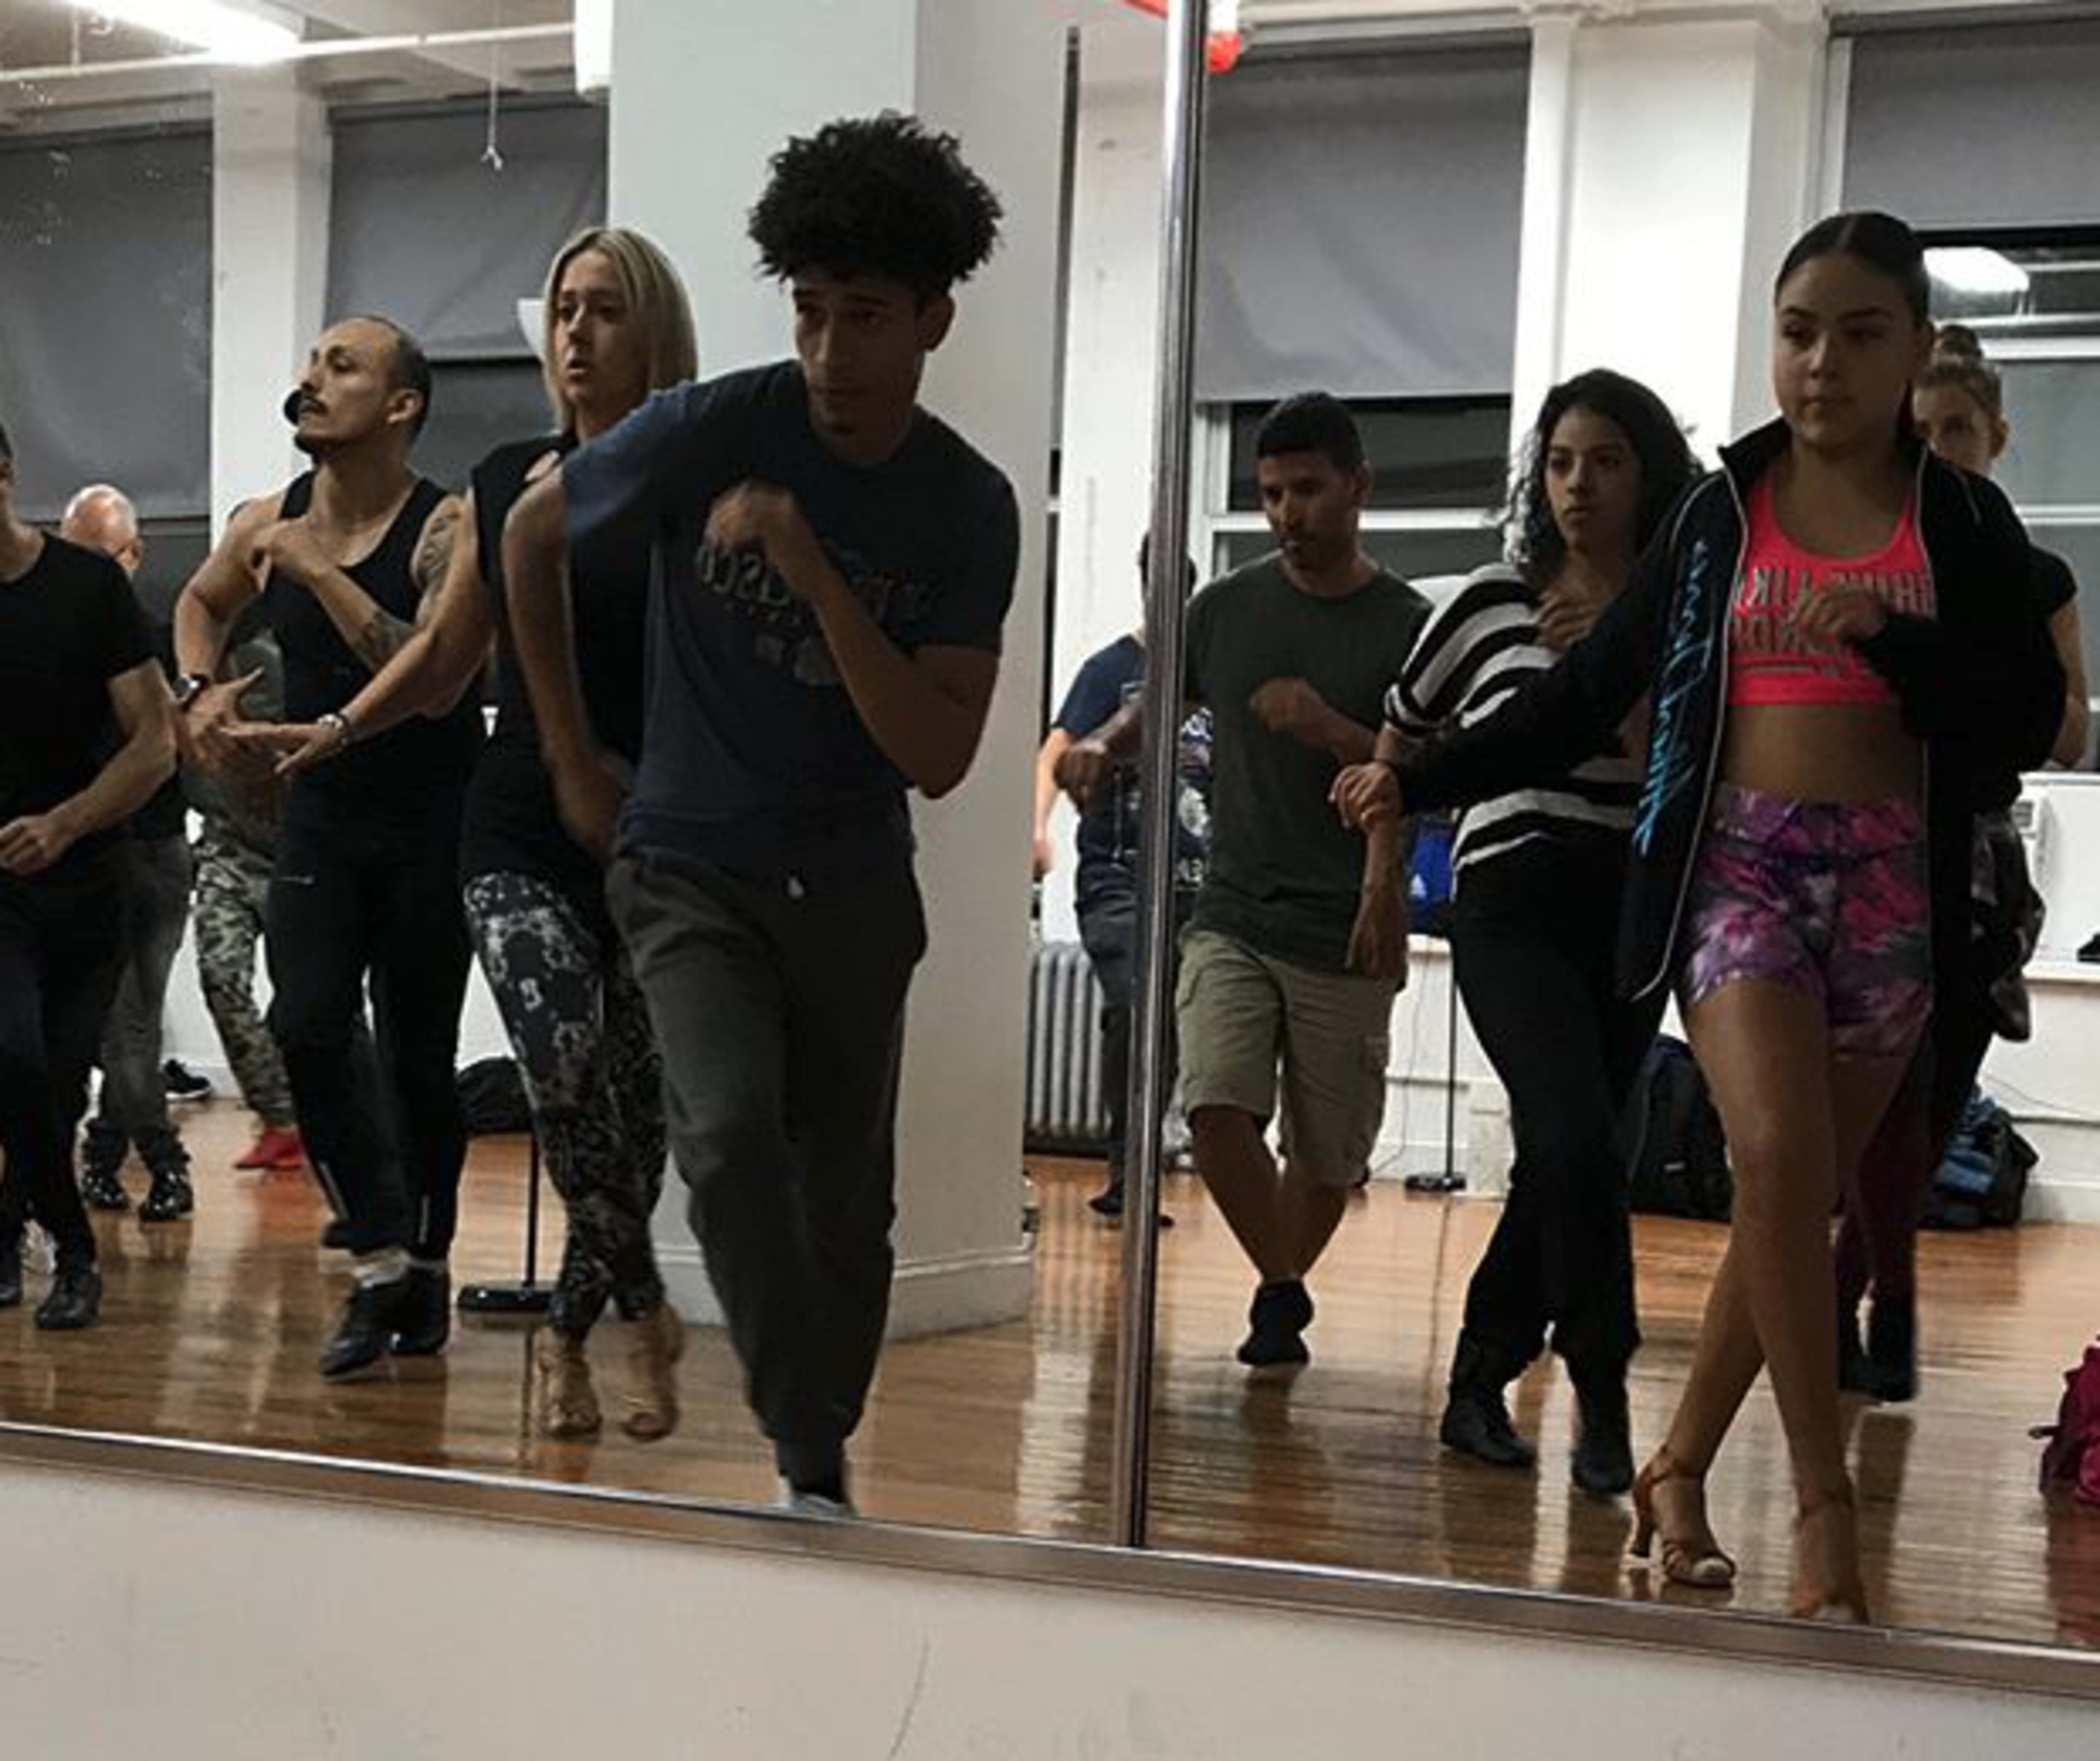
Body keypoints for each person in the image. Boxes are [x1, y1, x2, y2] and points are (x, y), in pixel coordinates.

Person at [1335, 213, 2062, 1620]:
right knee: (1776, 1157)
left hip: (1892, 886)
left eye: (1859, 335)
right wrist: (1420, 773)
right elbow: (1583, 687)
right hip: (1736, 869)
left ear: (1912, 350)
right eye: (1797, 332)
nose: (1821, 363)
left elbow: (2024, 715)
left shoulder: (1960, 518)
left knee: (1789, 1202)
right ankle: (1822, 1512)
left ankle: (1671, 1470)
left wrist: (1901, 650)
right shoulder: (1723, 511)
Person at [504, 115, 1017, 1514]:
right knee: (725, 1141)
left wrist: (803, 560)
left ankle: (813, 1463)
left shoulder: (966, 505)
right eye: (808, 314)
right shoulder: (718, 422)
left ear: (932, 318)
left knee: (846, 1213)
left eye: (864, 318)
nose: (831, 355)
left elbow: (936, 750)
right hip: (687, 869)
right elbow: (530, 531)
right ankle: (807, 1450)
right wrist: (569, 759)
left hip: (851, 885)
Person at [255, 228, 698, 1440]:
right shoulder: (506, 479)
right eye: (562, 308)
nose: (574, 333)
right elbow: (445, 658)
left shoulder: (697, 475)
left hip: (660, 826)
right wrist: (338, 727)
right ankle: (641, 1303)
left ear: (652, 333)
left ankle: (568, 1328)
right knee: (557, 1064)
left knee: (634, 1111)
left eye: (603, 310)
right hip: (515, 817)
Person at [1058, 394, 1431, 1372]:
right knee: (1216, 1111)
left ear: (1358, 488)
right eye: (1270, 494)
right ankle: (1284, 1287)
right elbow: (1155, 705)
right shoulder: (1225, 608)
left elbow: (1440, 776)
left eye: (1308, 490)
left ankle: (1278, 1292)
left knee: (1327, 1160)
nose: (1288, 513)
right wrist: (1100, 746)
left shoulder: (1410, 628)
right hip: (1231, 910)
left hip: (1346, 924)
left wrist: (1334, 731)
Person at [1378, 371, 1698, 1491]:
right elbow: (1402, 742)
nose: (1579, 485)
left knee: (1579, 1153)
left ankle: (1480, 1368)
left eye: (1606, 460)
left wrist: (1611, 663)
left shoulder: (1679, 615)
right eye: (1561, 461)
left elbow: (1692, 758)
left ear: (1649, 473)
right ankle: (1602, 1384)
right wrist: (1380, 887)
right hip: (1508, 890)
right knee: (1568, 1137)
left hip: (1630, 899)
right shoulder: (1486, 600)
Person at [174, 315, 478, 1378]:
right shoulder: (271, 519)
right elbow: (200, 602)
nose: (311, 381)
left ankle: (428, 1261)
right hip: (322, 819)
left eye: (340, 367)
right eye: (310, 363)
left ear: (401, 406)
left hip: (432, 819)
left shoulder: (449, 528)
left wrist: (320, 572)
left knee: (416, 1059)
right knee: (303, 1021)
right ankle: (383, 1258)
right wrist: (198, 690)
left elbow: (432, 679)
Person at [1834, 323, 2093, 1402]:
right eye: (1923, 429)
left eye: (1958, 429)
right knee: (1864, 1091)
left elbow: (2069, 732)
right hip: (1865, 839)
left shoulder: (2031, 572)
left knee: (1935, 1093)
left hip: (1977, 850)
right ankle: (1861, 1291)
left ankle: (1880, 1287)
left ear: (1995, 435)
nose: (1939, 447)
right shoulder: (1867, 560)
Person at [0, 422, 178, 1328]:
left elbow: (155, 742)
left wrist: (65, 823)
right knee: (13, 1059)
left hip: (91, 881)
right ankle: (74, 1251)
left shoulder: (87, 589)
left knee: (60, 1086)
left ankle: (9, 1224)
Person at [1033, 538, 1210, 1222]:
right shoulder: (1108, 670)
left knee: (1164, 1023)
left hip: (1195, 879)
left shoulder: (1210, 670)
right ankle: (1125, 1166)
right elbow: (1055, 752)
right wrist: (1037, 828)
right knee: (1133, 1006)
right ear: (1142, 585)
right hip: (1116, 874)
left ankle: (1142, 1162)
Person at [61, 485, 197, 1222]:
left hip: (157, 853)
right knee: (125, 1025)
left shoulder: (160, 638)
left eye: (101, 555)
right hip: (94, 858)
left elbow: (177, 750)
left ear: (135, 554)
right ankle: (148, 1160)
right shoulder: (56, 642)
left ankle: (112, 1153)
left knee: (130, 1023)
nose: (84, 571)